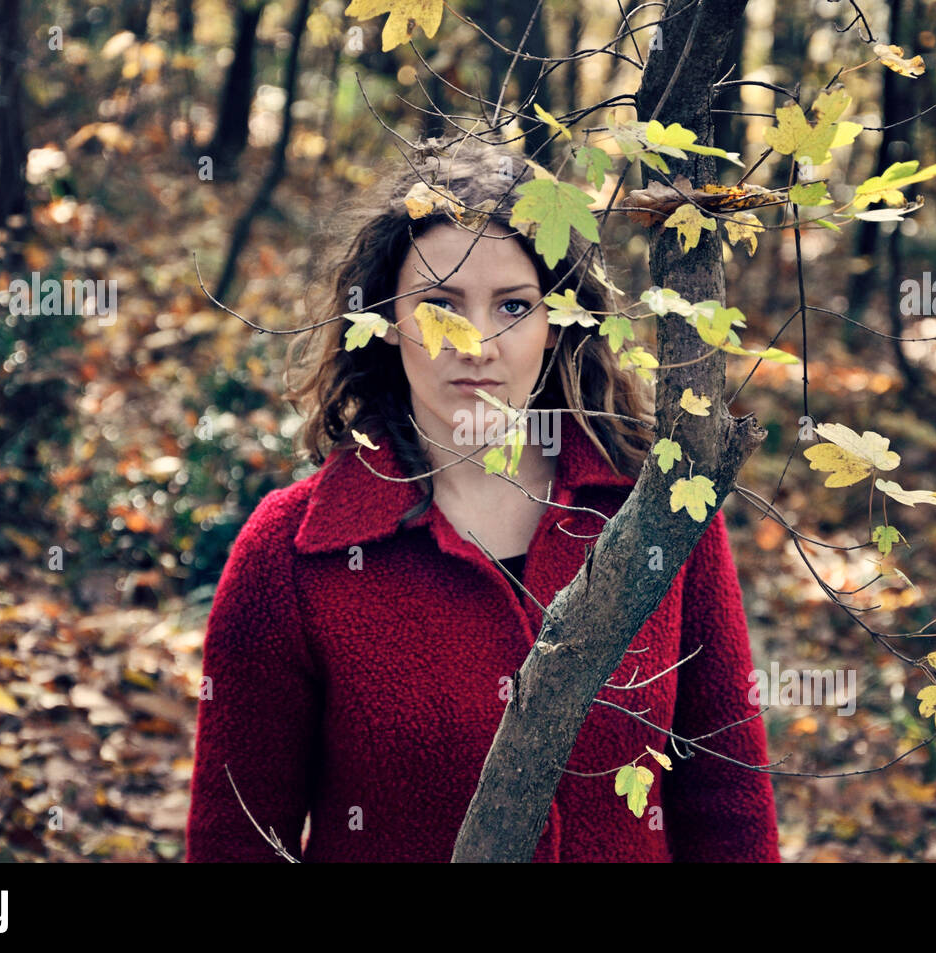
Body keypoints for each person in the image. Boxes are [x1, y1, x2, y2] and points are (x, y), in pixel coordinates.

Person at [184, 135, 780, 862]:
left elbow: (729, 806)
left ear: (558, 324)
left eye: (513, 305)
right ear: (384, 319)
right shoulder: (290, 556)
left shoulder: (656, 512)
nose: (477, 342)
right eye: (440, 304)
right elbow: (236, 844)